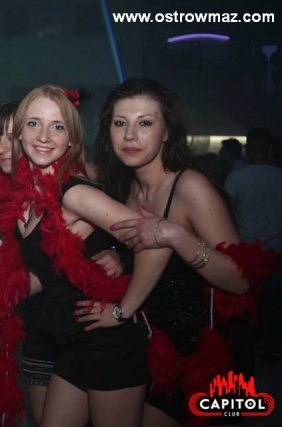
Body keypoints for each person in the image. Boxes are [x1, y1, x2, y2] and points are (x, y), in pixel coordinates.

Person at [0, 85, 173, 427]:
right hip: (70, 344)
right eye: (34, 124)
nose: (44, 136)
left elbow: (158, 239)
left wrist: (123, 309)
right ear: (20, 132)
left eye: (57, 127)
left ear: (70, 140)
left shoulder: (74, 193)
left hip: (108, 347)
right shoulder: (28, 196)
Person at [93, 78, 278, 426]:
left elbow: (241, 280)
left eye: (145, 123)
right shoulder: (126, 188)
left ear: (166, 133)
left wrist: (176, 235)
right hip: (154, 349)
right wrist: (120, 256)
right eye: (120, 123)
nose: (130, 135)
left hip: (204, 356)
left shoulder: (190, 185)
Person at [0, 100, 123, 427]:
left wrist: (119, 253)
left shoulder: (73, 182)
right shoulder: (4, 191)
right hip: (43, 325)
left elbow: (133, 225)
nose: (2, 147)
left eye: (10, 136)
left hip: (88, 324)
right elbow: (24, 264)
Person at [224, 134, 282, 361]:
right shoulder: (279, 176)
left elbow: (229, 213)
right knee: (274, 302)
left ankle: (247, 344)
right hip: (276, 248)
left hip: (247, 247)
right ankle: (273, 346)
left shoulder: (236, 177)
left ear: (248, 149)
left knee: (246, 301)